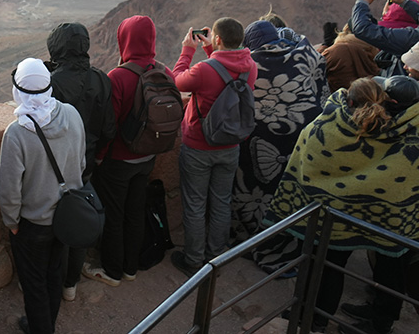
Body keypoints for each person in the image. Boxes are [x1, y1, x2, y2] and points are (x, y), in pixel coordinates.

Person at [266, 76, 419, 334]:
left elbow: (312, 158)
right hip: (390, 218)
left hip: (337, 215)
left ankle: (315, 318)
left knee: (327, 263)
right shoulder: (409, 131)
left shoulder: (335, 125)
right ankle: (380, 319)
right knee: (391, 268)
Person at [0, 58, 86, 334]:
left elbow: (9, 188)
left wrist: (11, 221)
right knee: (54, 273)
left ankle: (41, 328)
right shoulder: (71, 114)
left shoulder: (17, 132)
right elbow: (80, 163)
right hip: (66, 218)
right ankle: (46, 323)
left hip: (32, 224)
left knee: (34, 283)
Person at [85, 15, 171, 288]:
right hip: (147, 157)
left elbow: (110, 125)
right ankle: (130, 268)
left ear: (125, 40)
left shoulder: (118, 76)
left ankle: (112, 271)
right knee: (135, 212)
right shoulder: (164, 72)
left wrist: (100, 156)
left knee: (113, 215)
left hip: (119, 161)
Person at [234, 20, 326, 272]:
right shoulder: (306, 56)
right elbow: (321, 91)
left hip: (259, 145)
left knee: (254, 190)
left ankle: (257, 239)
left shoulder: (250, 63)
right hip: (300, 141)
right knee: (290, 190)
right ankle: (293, 238)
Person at [170, 18, 257, 277]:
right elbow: (226, 78)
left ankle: (194, 260)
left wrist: (188, 50)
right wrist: (211, 51)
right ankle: (215, 257)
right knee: (221, 201)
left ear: (217, 39)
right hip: (231, 145)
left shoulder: (204, 70)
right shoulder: (250, 67)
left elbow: (177, 81)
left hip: (199, 146)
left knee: (195, 204)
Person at [42, 22, 114, 300]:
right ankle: (70, 284)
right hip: (86, 163)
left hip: (55, 166)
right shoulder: (101, 79)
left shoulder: (52, 83)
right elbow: (109, 128)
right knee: (80, 217)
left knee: (54, 224)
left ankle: (52, 282)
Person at [351, 0, 419, 76]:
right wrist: (404, 2)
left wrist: (362, 2)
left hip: (400, 87)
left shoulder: (410, 38)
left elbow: (363, 29)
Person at [321, 24, 380, 92]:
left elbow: (313, 66)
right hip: (369, 96)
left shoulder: (334, 51)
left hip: (338, 98)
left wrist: (325, 45)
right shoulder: (373, 51)